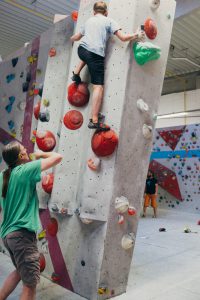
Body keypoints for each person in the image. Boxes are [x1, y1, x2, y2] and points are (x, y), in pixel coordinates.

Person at [0, 141, 62, 300]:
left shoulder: (3, 175)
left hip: (8, 235)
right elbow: (57, 157)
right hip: (21, 236)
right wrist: (41, 154)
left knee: (20, 272)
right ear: (20, 156)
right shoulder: (26, 169)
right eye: (23, 149)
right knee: (30, 285)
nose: (27, 149)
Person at [71, 1, 145, 131]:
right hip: (95, 55)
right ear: (106, 12)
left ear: (94, 12)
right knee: (98, 87)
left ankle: (76, 73)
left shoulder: (88, 21)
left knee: (86, 56)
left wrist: (70, 39)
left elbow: (77, 37)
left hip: (82, 51)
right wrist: (136, 35)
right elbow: (123, 38)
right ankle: (94, 120)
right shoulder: (109, 21)